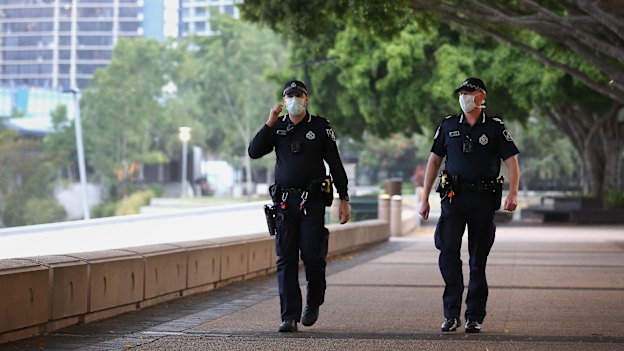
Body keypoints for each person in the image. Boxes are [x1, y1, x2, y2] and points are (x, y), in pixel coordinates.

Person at [418, 77, 520, 333]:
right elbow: (433, 161)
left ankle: (474, 315)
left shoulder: (495, 127)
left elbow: (511, 161)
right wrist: (424, 198)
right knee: (448, 253)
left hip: (484, 200)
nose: (464, 96)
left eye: (469, 92)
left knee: (478, 260)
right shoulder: (448, 125)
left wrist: (513, 193)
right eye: (462, 92)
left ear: (481, 97)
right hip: (454, 199)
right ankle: (451, 314)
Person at [248, 80, 351, 333]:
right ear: (284, 100)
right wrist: (270, 121)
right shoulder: (278, 128)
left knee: (313, 257)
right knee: (285, 259)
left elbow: (335, 165)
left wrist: (344, 198)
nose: (294, 99)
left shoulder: (320, 126)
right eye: (289, 95)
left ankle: (314, 301)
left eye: (299, 95)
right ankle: (289, 316)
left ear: (307, 99)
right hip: (284, 204)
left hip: (312, 202)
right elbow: (254, 151)